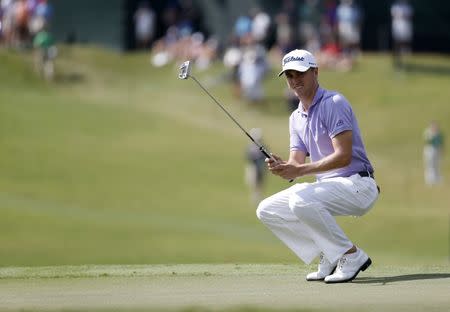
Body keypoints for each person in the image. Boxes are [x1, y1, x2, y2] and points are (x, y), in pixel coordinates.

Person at [256, 49, 379, 283]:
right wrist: (283, 167)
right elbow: (296, 163)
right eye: (290, 75)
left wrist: (299, 171)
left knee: (300, 200)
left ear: (315, 72)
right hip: (328, 187)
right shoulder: (296, 117)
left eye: (300, 73)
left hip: (358, 184)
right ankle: (330, 253)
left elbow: (343, 157)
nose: (295, 80)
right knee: (267, 209)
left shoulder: (334, 103)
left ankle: (349, 255)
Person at [245, 128, 267, 205]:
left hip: (261, 168)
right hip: (253, 168)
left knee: (260, 183)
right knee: (253, 183)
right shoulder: (251, 147)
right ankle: (255, 197)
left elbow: (266, 157)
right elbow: (248, 157)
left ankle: (259, 197)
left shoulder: (264, 147)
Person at [391, 0, 413, 68]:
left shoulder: (408, 7)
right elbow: (395, 16)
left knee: (405, 41)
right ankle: (397, 58)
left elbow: (409, 16)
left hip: (405, 26)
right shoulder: (395, 6)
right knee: (397, 42)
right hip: (397, 26)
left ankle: (404, 57)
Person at [423, 121, 444, 186]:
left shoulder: (439, 133)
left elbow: (441, 142)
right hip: (430, 150)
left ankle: (437, 179)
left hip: (437, 150)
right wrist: (433, 134)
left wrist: (441, 149)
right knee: (430, 165)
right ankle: (430, 180)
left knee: (437, 165)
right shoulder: (428, 132)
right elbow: (428, 141)